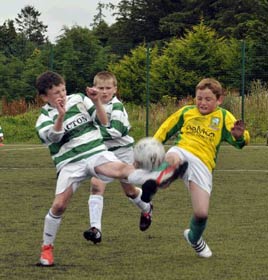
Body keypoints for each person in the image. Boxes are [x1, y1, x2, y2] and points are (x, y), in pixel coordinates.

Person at [35, 71, 187, 267]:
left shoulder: (80, 99)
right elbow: (53, 137)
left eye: (63, 90)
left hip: (95, 153)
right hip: (69, 164)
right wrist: (61, 116)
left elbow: (104, 122)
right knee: (59, 206)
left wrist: (96, 101)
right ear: (44, 97)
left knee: (119, 170)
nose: (62, 95)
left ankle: (162, 174)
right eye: (56, 93)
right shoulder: (43, 118)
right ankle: (47, 249)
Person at [142, 78, 250, 258]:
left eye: (208, 99)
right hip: (183, 150)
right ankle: (156, 182)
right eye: (199, 98)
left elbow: (240, 142)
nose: (202, 103)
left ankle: (194, 237)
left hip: (203, 165)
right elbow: (166, 128)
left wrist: (239, 136)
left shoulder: (223, 116)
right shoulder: (186, 112)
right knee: (173, 157)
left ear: (219, 100)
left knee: (201, 214)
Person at [84, 71, 152, 245]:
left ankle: (146, 208)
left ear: (115, 89)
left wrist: (90, 135)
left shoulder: (117, 107)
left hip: (122, 153)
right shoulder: (89, 105)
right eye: (100, 88)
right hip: (103, 155)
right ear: (94, 89)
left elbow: (117, 131)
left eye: (108, 88)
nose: (104, 91)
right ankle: (95, 229)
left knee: (130, 191)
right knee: (96, 185)